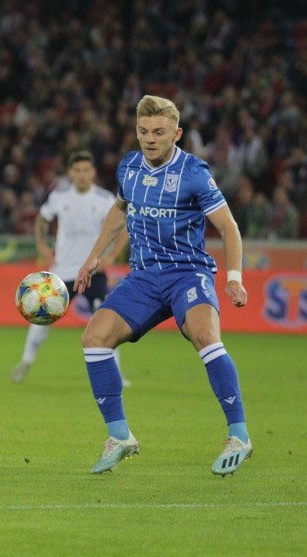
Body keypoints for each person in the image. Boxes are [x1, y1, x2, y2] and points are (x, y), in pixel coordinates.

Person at [74, 95, 252, 476]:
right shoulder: (128, 168)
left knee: (205, 335)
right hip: (144, 277)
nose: (149, 139)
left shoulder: (194, 172)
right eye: (143, 131)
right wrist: (95, 256)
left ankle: (238, 435)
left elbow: (229, 228)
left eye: (158, 132)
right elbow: (119, 211)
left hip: (188, 273)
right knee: (94, 338)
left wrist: (234, 277)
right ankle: (120, 437)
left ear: (177, 133)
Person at [10, 150, 129, 384]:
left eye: (86, 170)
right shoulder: (59, 197)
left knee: (106, 322)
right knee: (41, 317)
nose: (82, 175)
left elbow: (123, 224)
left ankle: (117, 374)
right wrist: (42, 246)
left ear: (93, 172)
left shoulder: (106, 199)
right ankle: (26, 360)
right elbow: (42, 219)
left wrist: (113, 255)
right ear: (70, 173)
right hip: (62, 272)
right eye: (78, 170)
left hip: (94, 273)